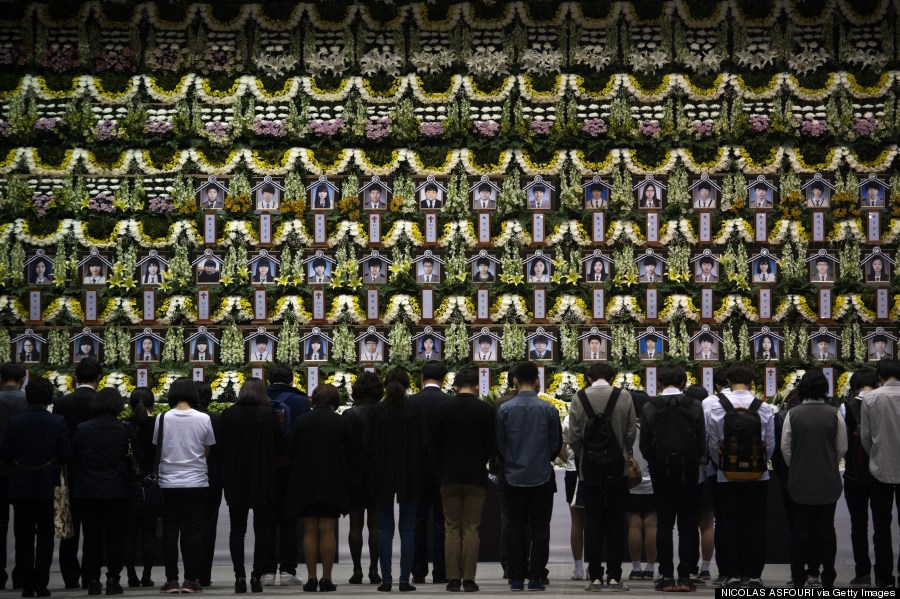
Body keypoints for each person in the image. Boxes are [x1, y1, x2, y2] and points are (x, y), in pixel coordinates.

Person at [704, 364, 775, 589]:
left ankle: (730, 573)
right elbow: (769, 444)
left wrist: (723, 464)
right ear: (752, 382)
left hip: (727, 474)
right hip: (758, 475)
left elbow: (713, 441)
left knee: (727, 524)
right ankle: (753, 574)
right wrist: (759, 465)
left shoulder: (716, 406)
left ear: (728, 382)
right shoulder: (763, 408)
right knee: (755, 524)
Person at [1, 377, 71, 598]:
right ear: (49, 398)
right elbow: (67, 454)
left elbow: (4, 453)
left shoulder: (15, 422)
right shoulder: (57, 422)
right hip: (46, 483)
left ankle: (26, 583)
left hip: (20, 483)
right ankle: (42, 583)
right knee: (45, 536)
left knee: (22, 535)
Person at [568, 362, 636, 592]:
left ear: (588, 378)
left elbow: (574, 436)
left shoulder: (579, 397)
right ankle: (615, 576)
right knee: (616, 522)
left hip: (590, 469)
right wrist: (622, 452)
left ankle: (595, 577)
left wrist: (585, 455)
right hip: (618, 469)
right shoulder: (624, 396)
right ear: (613, 378)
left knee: (593, 522)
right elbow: (630, 433)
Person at [497, 362, 562, 592]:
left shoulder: (504, 409)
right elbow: (556, 445)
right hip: (542, 475)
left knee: (515, 526)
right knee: (540, 528)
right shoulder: (548, 409)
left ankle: (516, 577)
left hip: (513, 474)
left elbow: (500, 446)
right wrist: (542, 459)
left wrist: (513, 461)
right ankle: (536, 577)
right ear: (537, 381)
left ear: (515, 381)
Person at [641, 366, 706, 592]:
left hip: (661, 474)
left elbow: (645, 445)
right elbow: (702, 441)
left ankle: (667, 575)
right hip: (688, 473)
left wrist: (657, 463)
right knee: (688, 525)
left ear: (659, 383)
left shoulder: (650, 406)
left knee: (664, 525)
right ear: (683, 382)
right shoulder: (695, 405)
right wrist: (693, 462)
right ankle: (686, 575)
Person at [781, 370, 847, 589]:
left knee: (800, 530)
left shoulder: (793, 414)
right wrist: (827, 462)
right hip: (827, 479)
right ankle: (826, 576)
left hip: (799, 479)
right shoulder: (833, 413)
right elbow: (841, 447)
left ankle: (798, 576)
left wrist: (798, 465)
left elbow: (786, 448)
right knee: (826, 530)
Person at [363, 368, 427, 592]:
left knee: (385, 529)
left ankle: (386, 580)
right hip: (410, 474)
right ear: (408, 385)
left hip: (381, 474)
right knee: (407, 528)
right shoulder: (414, 410)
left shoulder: (377, 412)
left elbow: (367, 446)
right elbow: (423, 444)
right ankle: (404, 580)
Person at [431, 369, 494, 592]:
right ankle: (469, 577)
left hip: (448, 475)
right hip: (475, 475)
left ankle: (453, 578)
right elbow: (491, 445)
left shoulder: (442, 409)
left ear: (455, 386)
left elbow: (434, 445)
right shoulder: (486, 410)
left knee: (451, 527)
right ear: (476, 386)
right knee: (471, 527)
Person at [73, 387, 139, 596]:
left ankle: (92, 580)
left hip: (88, 489)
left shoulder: (83, 428)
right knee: (114, 536)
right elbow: (137, 454)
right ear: (118, 406)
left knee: (91, 537)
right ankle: (113, 578)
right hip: (116, 489)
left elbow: (73, 457)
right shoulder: (124, 428)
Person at [219, 378, 283, 593]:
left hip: (235, 478)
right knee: (263, 529)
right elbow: (280, 445)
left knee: (237, 528)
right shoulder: (268, 415)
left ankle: (239, 575)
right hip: (264, 479)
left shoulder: (228, 414)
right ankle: (257, 575)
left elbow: (220, 447)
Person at [286, 384, 352, 592]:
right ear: (335, 401)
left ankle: (311, 577)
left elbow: (291, 450)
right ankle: (327, 578)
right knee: (327, 529)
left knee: (309, 530)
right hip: (332, 481)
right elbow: (350, 452)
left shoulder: (301, 421)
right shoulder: (341, 422)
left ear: (314, 399)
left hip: (305, 482)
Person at [154, 378, 216, 593]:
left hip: (168, 480)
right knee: (194, 529)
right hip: (197, 480)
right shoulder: (203, 418)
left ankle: (171, 580)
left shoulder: (162, 418)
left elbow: (158, 448)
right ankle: (191, 579)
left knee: (170, 530)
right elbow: (207, 450)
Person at [54, 357, 102, 590]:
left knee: (69, 528)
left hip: (70, 471)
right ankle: (90, 576)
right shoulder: (101, 402)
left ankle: (70, 578)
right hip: (96, 473)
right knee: (94, 530)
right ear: (99, 379)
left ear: (75, 378)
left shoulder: (63, 403)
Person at [265, 367, 309, 587]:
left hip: (264, 468)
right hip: (292, 467)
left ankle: (266, 570)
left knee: (266, 520)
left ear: (269, 380)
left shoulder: (259, 398)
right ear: (291, 380)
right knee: (290, 520)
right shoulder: (300, 402)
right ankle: (288, 571)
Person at [408, 362, 451, 586]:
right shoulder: (449, 402)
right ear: (444, 378)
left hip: (416, 471)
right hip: (443, 470)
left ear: (422, 377)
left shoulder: (411, 402)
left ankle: (417, 571)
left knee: (418, 521)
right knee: (442, 522)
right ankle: (441, 571)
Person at [860, 359, 900, 589]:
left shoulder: (871, 398)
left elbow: (866, 436)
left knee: (881, 527)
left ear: (879, 376)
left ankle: (884, 578)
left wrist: (876, 453)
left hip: (880, 467)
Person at [344, 373, 383, 585]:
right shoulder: (384, 413)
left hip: (355, 473)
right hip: (378, 473)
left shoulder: (350, 414)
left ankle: (357, 570)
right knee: (376, 525)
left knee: (355, 524)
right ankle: (374, 570)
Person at [842, 371, 879, 587]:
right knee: (882, 524)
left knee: (859, 526)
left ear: (854, 386)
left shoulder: (846, 407)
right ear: (875, 383)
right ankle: (884, 574)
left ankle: (862, 573)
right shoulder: (883, 401)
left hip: (854, 474)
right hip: (881, 472)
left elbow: (841, 442)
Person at [122, 388, 158, 589]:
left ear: (130, 405)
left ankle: (131, 576)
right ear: (153, 404)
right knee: (149, 532)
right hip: (151, 483)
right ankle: (147, 575)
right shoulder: (158, 425)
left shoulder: (124, 425)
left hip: (129, 483)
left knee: (129, 533)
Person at [0, 363, 27, 590]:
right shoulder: (26, 401)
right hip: (23, 469)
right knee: (24, 526)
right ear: (23, 379)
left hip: (0, 467)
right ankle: (22, 575)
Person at [684, 385, 715, 582]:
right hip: (708, 473)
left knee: (688, 524)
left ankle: (690, 567)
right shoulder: (712, 414)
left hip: (688, 474)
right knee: (707, 524)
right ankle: (705, 568)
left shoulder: (687, 416)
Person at [625, 390, 655, 584]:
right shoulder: (653, 426)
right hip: (652, 480)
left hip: (630, 480)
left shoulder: (627, 427)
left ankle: (636, 568)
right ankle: (651, 568)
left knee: (634, 524)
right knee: (651, 524)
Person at [195, 382, 223, 589]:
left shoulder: (174, 417)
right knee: (208, 525)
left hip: (185, 478)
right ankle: (203, 574)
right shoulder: (216, 419)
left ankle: (189, 572)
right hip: (212, 477)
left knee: (187, 525)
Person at [560, 408, 585, 582]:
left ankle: (578, 568)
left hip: (572, 471)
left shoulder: (569, 419)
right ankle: (594, 566)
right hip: (595, 471)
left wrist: (569, 460)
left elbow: (562, 449)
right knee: (595, 520)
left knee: (576, 521)